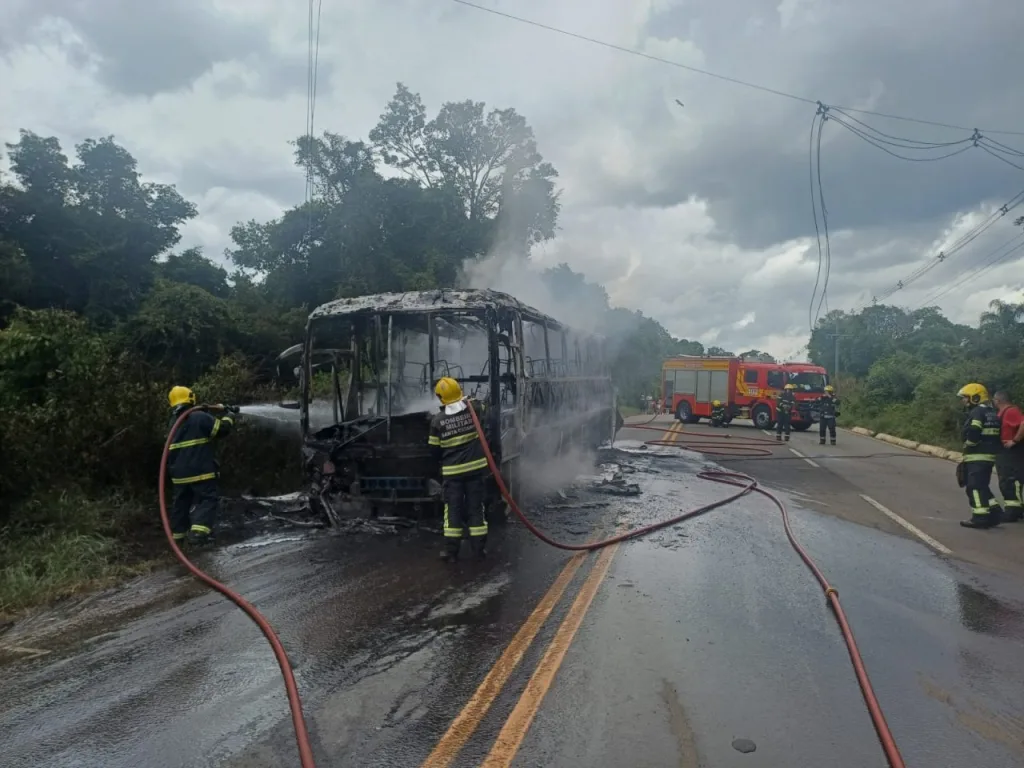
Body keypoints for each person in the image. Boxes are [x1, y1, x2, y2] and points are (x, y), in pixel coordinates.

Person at [428, 377, 489, 562]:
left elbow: (434, 450)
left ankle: (451, 553)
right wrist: (468, 400)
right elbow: (485, 407)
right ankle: (479, 550)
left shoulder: (437, 421)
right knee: (476, 509)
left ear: (440, 397)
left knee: (453, 511)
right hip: (475, 471)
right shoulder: (474, 409)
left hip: (452, 474)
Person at [166, 386, 235, 546]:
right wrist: (229, 416)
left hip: (179, 474)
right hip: (200, 470)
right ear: (191, 397)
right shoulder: (199, 416)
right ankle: (198, 534)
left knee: (181, 503)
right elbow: (221, 430)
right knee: (208, 499)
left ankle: (178, 538)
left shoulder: (173, 422)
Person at [957, 383, 1003, 529]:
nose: (963, 401)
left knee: (974, 487)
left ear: (975, 398)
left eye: (965, 397)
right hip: (988, 456)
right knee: (982, 486)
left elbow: (974, 431)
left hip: (977, 455)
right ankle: (995, 513)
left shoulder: (977, 412)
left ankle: (980, 517)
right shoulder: (991, 412)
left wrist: (968, 444)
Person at [993, 390, 1024, 522]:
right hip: (1004, 451)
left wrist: (1014, 440)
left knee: (1011, 480)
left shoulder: (1011, 411)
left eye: (994, 400)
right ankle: (1016, 510)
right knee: (1006, 480)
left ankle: (1013, 512)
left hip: (1013, 452)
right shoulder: (1002, 412)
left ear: (998, 400)